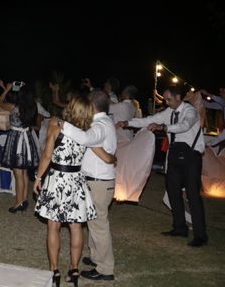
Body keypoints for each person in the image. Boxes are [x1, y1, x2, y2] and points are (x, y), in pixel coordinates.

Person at [34, 95, 114, 287]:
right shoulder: (88, 133)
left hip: (57, 179)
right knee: (76, 227)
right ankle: (74, 269)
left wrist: (38, 178)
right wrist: (113, 159)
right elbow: (104, 155)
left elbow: (46, 156)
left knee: (53, 226)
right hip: (77, 181)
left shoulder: (56, 128)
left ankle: (54, 270)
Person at [117, 85, 208, 247]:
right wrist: (127, 123)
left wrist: (164, 127)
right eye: (165, 99)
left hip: (192, 157)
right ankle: (179, 227)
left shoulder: (190, 111)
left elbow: (184, 126)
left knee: (193, 195)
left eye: (168, 99)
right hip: (174, 155)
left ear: (178, 97)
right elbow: (148, 120)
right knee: (173, 192)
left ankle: (201, 235)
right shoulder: (169, 112)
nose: (166, 102)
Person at [61, 90, 117, 281]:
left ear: (91, 105)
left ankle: (105, 269)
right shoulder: (102, 123)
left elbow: (85, 138)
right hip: (98, 181)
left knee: (98, 225)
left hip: (99, 182)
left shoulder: (100, 125)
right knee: (94, 223)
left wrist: (62, 125)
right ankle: (96, 257)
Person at [0, 83, 40, 213]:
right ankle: (24, 200)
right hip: (27, 137)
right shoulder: (33, 107)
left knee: (18, 174)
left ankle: (18, 202)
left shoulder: (14, 107)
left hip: (16, 139)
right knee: (24, 172)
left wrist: (7, 88)